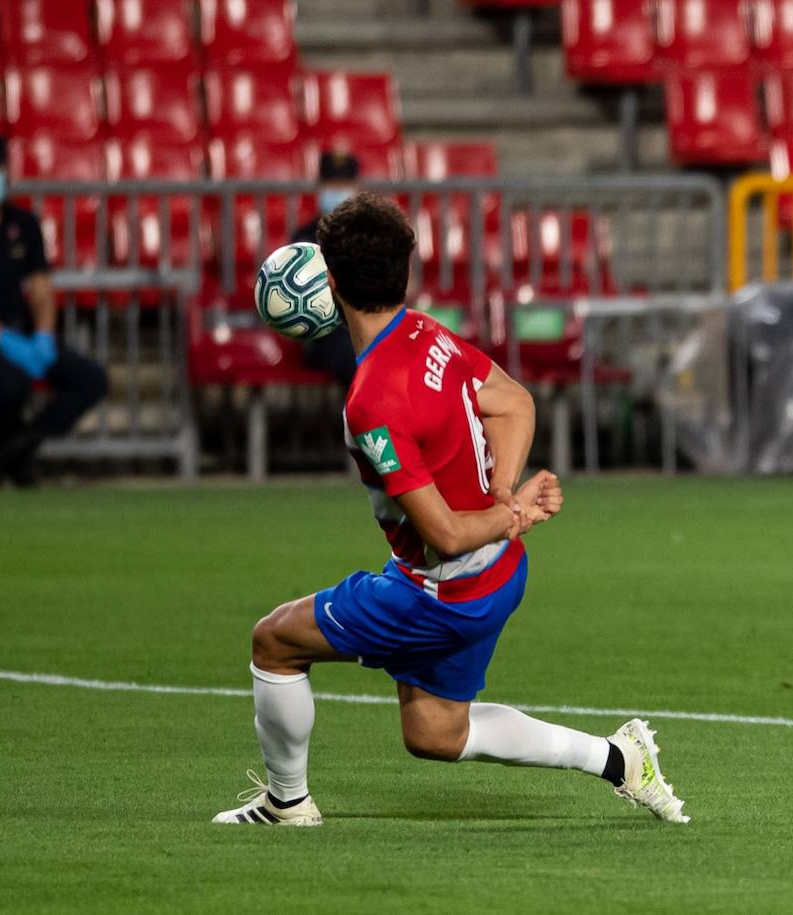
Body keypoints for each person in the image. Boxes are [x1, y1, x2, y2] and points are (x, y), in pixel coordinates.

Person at [213, 193, 688, 826]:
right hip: (499, 574)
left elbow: (446, 533)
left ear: (327, 283)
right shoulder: (425, 333)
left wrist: (511, 510)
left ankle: (285, 802)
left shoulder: (371, 399)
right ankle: (619, 759)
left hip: (439, 590)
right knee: (434, 734)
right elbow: (515, 402)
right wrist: (504, 491)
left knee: (273, 642)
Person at [0, 136, 107, 487]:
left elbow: (41, 289)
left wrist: (43, 335)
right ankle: (11, 454)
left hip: (25, 332)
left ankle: (22, 446)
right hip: (0, 340)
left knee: (90, 379)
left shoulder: (23, 224)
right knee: (10, 385)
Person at [290, 150, 362, 387]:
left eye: (344, 184)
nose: (338, 190)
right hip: (327, 334)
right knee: (357, 358)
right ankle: (367, 424)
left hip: (368, 327)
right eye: (332, 183)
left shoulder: (370, 233)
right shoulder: (305, 238)